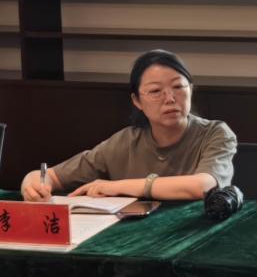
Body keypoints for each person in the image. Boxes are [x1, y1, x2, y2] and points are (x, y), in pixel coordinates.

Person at [20, 49, 237, 202]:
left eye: (178, 87)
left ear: (191, 89)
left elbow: (202, 186)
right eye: (155, 91)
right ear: (137, 101)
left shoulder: (216, 133)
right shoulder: (125, 142)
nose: (170, 99)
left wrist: (115, 186)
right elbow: (52, 176)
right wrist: (32, 184)